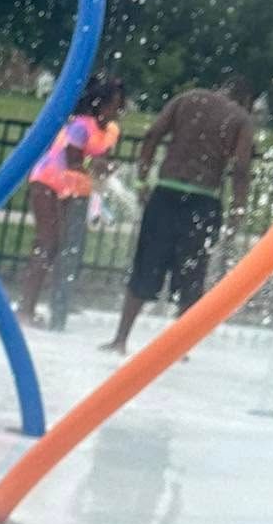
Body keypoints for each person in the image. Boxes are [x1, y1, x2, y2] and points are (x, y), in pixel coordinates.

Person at [104, 74, 257, 353]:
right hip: (203, 201)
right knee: (191, 276)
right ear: (246, 100)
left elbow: (152, 135)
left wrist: (141, 181)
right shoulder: (240, 118)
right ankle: (177, 350)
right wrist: (238, 209)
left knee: (145, 267)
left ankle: (120, 338)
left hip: (165, 194)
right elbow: (241, 168)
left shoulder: (188, 99)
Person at [19, 73, 124, 327]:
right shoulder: (80, 125)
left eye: (121, 104)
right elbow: (73, 161)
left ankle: (60, 299)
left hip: (72, 188)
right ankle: (26, 308)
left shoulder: (110, 130)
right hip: (47, 181)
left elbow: (100, 159)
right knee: (48, 242)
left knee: (65, 246)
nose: (119, 109)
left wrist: (106, 168)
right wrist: (96, 166)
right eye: (114, 104)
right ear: (100, 103)